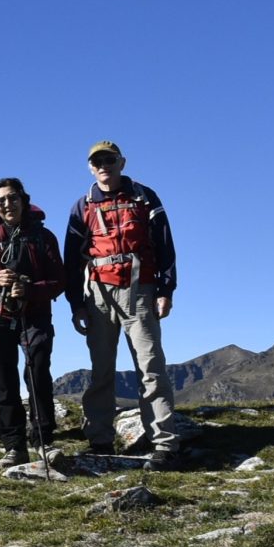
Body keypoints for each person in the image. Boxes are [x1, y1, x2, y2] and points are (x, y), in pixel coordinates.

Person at [63, 141, 179, 471]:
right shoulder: (82, 205)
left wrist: (166, 290)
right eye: (97, 161)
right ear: (90, 167)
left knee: (150, 365)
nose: (104, 165)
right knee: (101, 368)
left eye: (109, 159)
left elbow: (165, 245)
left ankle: (164, 443)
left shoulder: (144, 197)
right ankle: (100, 439)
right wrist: (76, 304)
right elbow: (71, 259)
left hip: (140, 289)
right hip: (98, 292)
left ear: (121, 162)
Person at [0, 178, 65, 465]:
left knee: (38, 374)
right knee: (5, 382)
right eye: (1, 201)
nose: (7, 204)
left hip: (35, 315)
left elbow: (59, 280)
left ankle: (43, 441)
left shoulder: (43, 237)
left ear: (23, 200)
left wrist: (30, 290)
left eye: (12, 198)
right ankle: (14, 446)